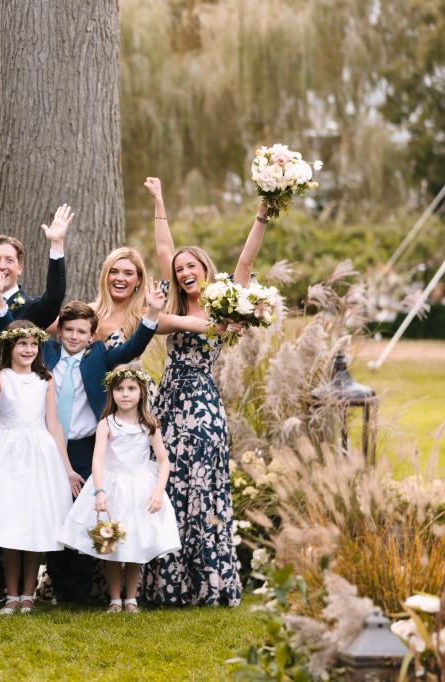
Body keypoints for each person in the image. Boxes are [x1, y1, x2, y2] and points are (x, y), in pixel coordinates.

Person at [138, 176, 270, 607]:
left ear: (205, 269)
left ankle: (206, 583)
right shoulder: (172, 303)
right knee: (166, 479)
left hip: (204, 402)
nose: (183, 272)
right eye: (179, 270)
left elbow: (247, 261)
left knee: (204, 483)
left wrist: (261, 215)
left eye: (190, 266)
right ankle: (164, 584)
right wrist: (159, 199)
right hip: (169, 399)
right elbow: (163, 250)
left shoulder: (224, 299)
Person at [0, 205, 73, 602]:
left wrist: (56, 246)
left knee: (23, 502)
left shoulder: (31, 309)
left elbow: (57, 296)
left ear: (19, 268)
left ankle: (16, 589)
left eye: (10, 259)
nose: (2, 264)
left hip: (23, 421)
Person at [40, 284, 164, 603]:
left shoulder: (98, 357)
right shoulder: (46, 353)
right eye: (69, 330)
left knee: (86, 515)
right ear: (59, 331)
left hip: (85, 445)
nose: (74, 336)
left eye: (82, 331)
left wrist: (151, 313)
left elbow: (131, 348)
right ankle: (56, 584)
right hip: (49, 444)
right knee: (55, 513)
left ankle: (82, 590)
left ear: (92, 334)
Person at [0, 321, 83, 615]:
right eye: (21, 344)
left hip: (39, 451)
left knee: (35, 522)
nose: (28, 349)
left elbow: (53, 423)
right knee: (10, 523)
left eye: (33, 344)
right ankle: (11, 594)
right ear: (10, 347)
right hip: (6, 452)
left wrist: (66, 468)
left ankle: (28, 594)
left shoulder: (45, 379)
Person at [58, 366, 180, 613]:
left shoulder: (149, 424)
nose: (125, 394)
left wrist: (158, 492)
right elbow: (98, 460)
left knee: (135, 543)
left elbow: (164, 461)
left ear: (141, 392)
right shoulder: (107, 423)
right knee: (111, 542)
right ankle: (115, 599)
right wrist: (100, 491)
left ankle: (131, 599)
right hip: (112, 487)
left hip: (139, 489)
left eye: (131, 389)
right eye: (119, 389)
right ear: (112, 393)